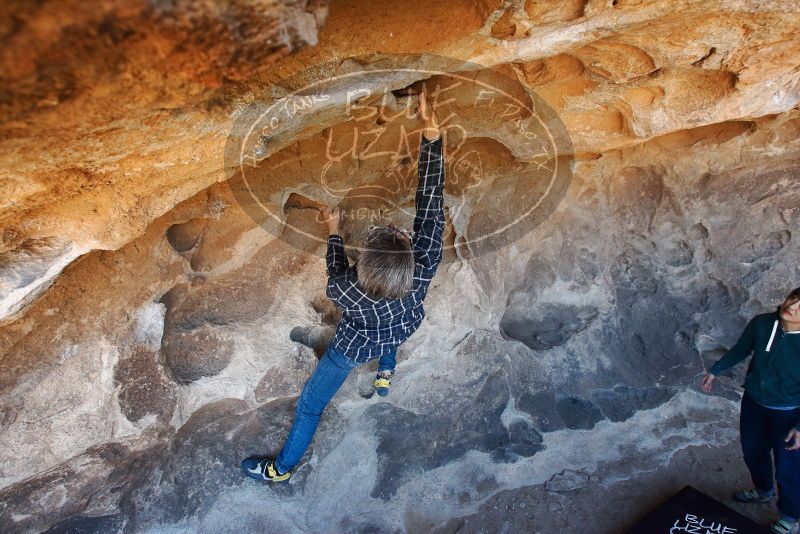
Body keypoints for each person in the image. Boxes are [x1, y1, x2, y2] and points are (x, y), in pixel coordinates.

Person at [242, 88, 445, 482]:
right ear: (407, 250)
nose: (394, 229)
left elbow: (336, 272)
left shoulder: (345, 290)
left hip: (351, 348)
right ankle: (386, 372)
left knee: (310, 406)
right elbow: (430, 201)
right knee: (393, 336)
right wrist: (432, 134)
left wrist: (333, 231)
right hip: (405, 322)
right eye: (398, 235)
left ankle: (280, 470)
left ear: (363, 266)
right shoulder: (422, 265)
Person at [701, 287, 800, 534]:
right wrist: (716, 370)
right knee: (753, 452)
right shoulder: (763, 323)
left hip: (788, 413)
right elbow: (741, 348)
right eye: (794, 299)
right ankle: (763, 491)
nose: (792, 307)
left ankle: (790, 517)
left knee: (789, 469)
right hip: (754, 403)